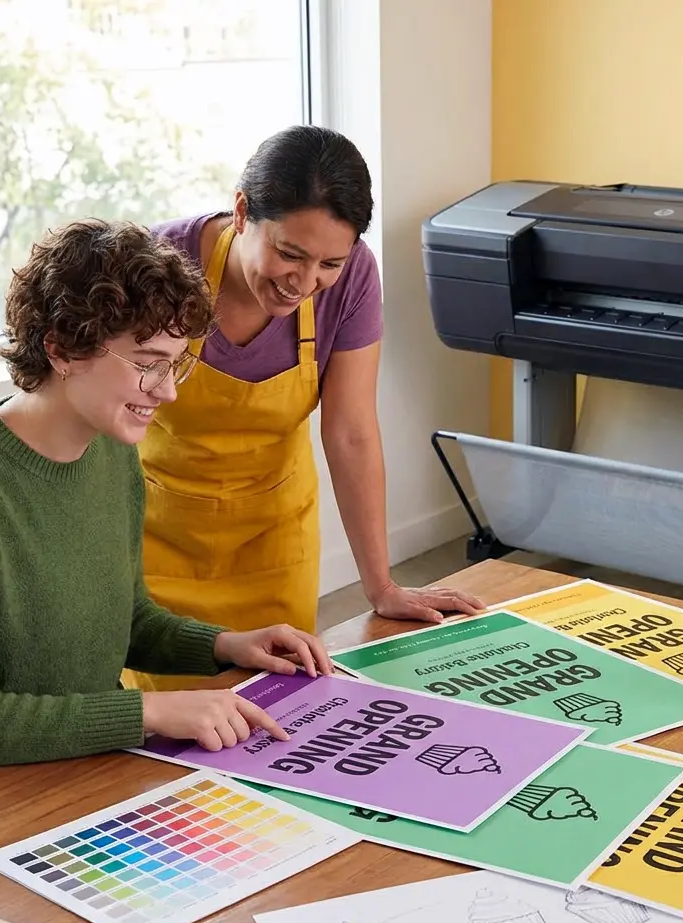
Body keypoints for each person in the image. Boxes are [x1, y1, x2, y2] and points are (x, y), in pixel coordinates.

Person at [124, 125, 483, 694]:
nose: (305, 283)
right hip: (152, 536)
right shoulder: (159, 260)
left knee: (276, 710)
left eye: (328, 264)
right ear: (242, 211)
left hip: (272, 536)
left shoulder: (356, 277)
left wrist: (382, 586)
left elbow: (351, 434)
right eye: (289, 254)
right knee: (165, 729)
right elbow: (96, 414)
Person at [0, 219, 333, 779]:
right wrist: (152, 710)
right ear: (62, 350)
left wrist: (228, 646)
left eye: (175, 363)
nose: (168, 391)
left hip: (85, 772)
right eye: (146, 365)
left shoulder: (112, 452)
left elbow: (126, 620)